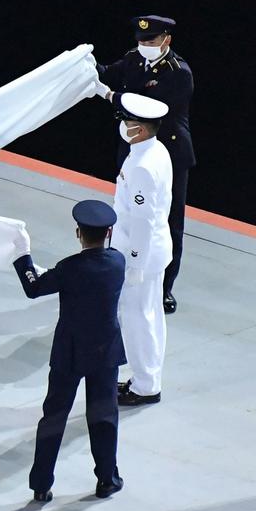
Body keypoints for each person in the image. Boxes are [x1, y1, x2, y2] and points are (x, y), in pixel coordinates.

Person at [13, 200, 127, 501]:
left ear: (78, 233)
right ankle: (107, 479)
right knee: (104, 417)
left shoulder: (69, 269)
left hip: (70, 351)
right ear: (109, 232)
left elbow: (34, 287)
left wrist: (22, 256)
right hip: (105, 352)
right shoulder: (117, 262)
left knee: (54, 416)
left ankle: (41, 484)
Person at [96, 15, 194, 313]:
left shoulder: (179, 73)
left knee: (168, 220)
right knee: (126, 210)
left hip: (168, 152)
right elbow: (108, 71)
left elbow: (147, 107)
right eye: (140, 42)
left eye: (151, 42)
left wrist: (110, 95)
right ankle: (121, 273)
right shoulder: (134, 59)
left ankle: (164, 288)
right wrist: (84, 66)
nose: (144, 47)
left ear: (166, 40)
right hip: (134, 146)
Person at [109, 93, 173, 406]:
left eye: (128, 122)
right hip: (151, 250)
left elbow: (142, 220)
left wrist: (134, 262)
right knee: (150, 316)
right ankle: (147, 377)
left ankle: (145, 386)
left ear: (142, 129)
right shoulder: (153, 151)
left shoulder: (144, 166)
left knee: (137, 319)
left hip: (141, 254)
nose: (123, 126)